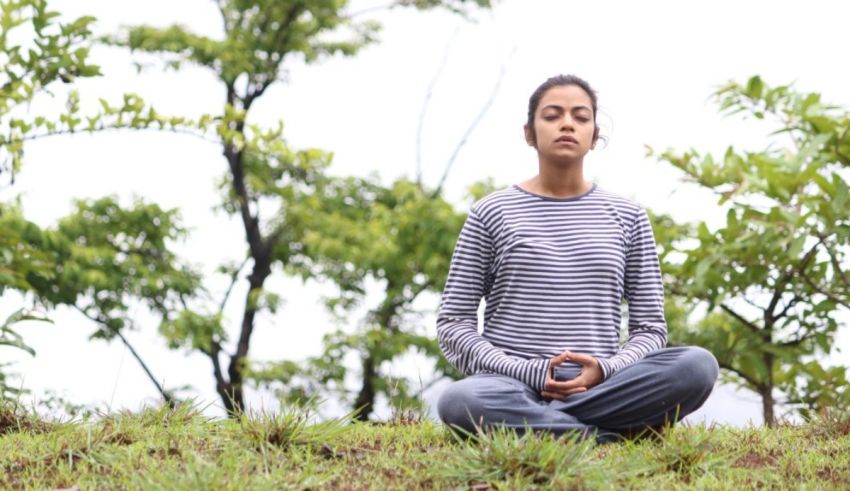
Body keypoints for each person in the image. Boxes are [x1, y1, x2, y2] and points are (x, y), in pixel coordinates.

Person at [435, 74, 719, 442]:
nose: (567, 123)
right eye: (552, 115)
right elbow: (454, 324)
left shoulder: (628, 217)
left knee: (697, 365)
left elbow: (650, 329)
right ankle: (605, 438)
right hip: (507, 386)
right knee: (460, 400)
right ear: (529, 133)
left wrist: (604, 369)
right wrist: (532, 373)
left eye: (580, 117)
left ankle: (551, 428)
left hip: (602, 390)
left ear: (595, 135)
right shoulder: (492, 212)